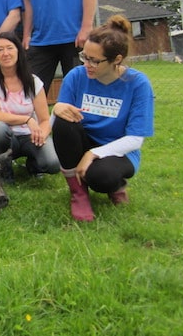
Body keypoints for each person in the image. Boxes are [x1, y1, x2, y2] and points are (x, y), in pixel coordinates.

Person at [51, 15, 154, 222]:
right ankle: (78, 193)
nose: (87, 64)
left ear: (116, 60)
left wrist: (93, 154)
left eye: (94, 60)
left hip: (119, 150)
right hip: (82, 142)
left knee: (101, 177)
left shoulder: (138, 84)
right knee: (63, 120)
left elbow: (135, 140)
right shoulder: (76, 76)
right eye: (84, 57)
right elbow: (58, 129)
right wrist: (57, 110)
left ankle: (115, 186)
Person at [0, 32, 60, 182]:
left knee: (53, 164)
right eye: (0, 50)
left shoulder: (34, 81)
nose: (5, 53)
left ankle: (34, 165)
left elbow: (45, 120)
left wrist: (42, 134)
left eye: (10, 48)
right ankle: (4, 172)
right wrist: (27, 120)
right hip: (4, 137)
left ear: (18, 51)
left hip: (29, 137)